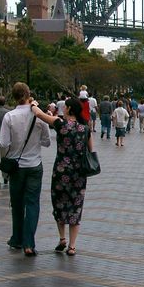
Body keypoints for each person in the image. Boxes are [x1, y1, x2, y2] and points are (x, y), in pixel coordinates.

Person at [0, 82, 51, 257]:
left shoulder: (9, 116)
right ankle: (29, 243)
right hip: (34, 165)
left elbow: (4, 143)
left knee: (17, 204)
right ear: (28, 93)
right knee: (32, 203)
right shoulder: (39, 115)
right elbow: (47, 142)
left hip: (16, 167)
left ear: (14, 96)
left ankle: (16, 238)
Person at [30, 96, 93, 256]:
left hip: (61, 171)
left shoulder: (60, 124)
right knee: (76, 206)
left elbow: (39, 115)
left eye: (65, 107)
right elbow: (91, 150)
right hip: (79, 173)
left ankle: (62, 238)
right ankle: (72, 246)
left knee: (59, 203)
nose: (63, 109)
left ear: (69, 109)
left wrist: (33, 104)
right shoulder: (85, 128)